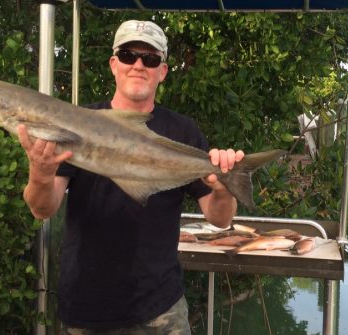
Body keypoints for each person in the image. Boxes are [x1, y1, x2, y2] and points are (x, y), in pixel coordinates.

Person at [18, 20, 244, 334]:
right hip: (86, 307)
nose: (138, 65)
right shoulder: (76, 123)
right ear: (114, 64)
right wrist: (40, 174)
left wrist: (223, 188)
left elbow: (220, 219)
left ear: (162, 71)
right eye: (128, 55)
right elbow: (42, 209)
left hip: (161, 308)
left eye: (150, 59)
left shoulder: (183, 131)